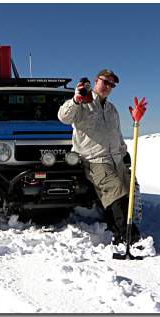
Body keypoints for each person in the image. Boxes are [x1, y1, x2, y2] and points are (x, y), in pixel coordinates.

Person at [57, 69, 140, 245]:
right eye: (105, 82)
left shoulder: (111, 109)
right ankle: (130, 237)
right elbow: (63, 117)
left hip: (116, 158)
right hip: (95, 159)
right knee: (116, 191)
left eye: (112, 85)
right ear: (96, 81)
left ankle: (117, 230)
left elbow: (116, 134)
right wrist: (76, 99)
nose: (108, 87)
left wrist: (125, 146)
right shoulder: (82, 104)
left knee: (128, 192)